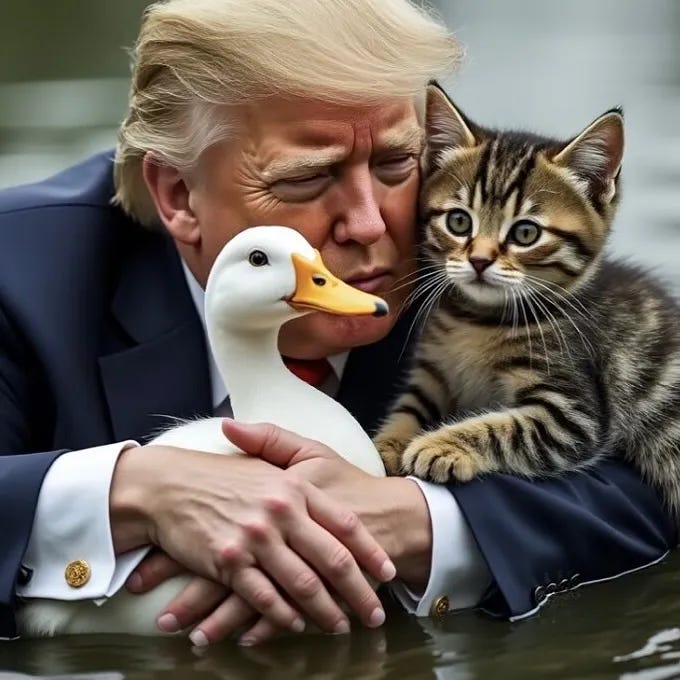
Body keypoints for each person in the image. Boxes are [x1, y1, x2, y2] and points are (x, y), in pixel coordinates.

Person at [0, 0, 674, 648]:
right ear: (178, 196)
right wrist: (133, 490)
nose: (372, 223)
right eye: (307, 179)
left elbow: (638, 480)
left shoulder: (477, 247)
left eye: (394, 164)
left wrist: (425, 522)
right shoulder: (21, 277)